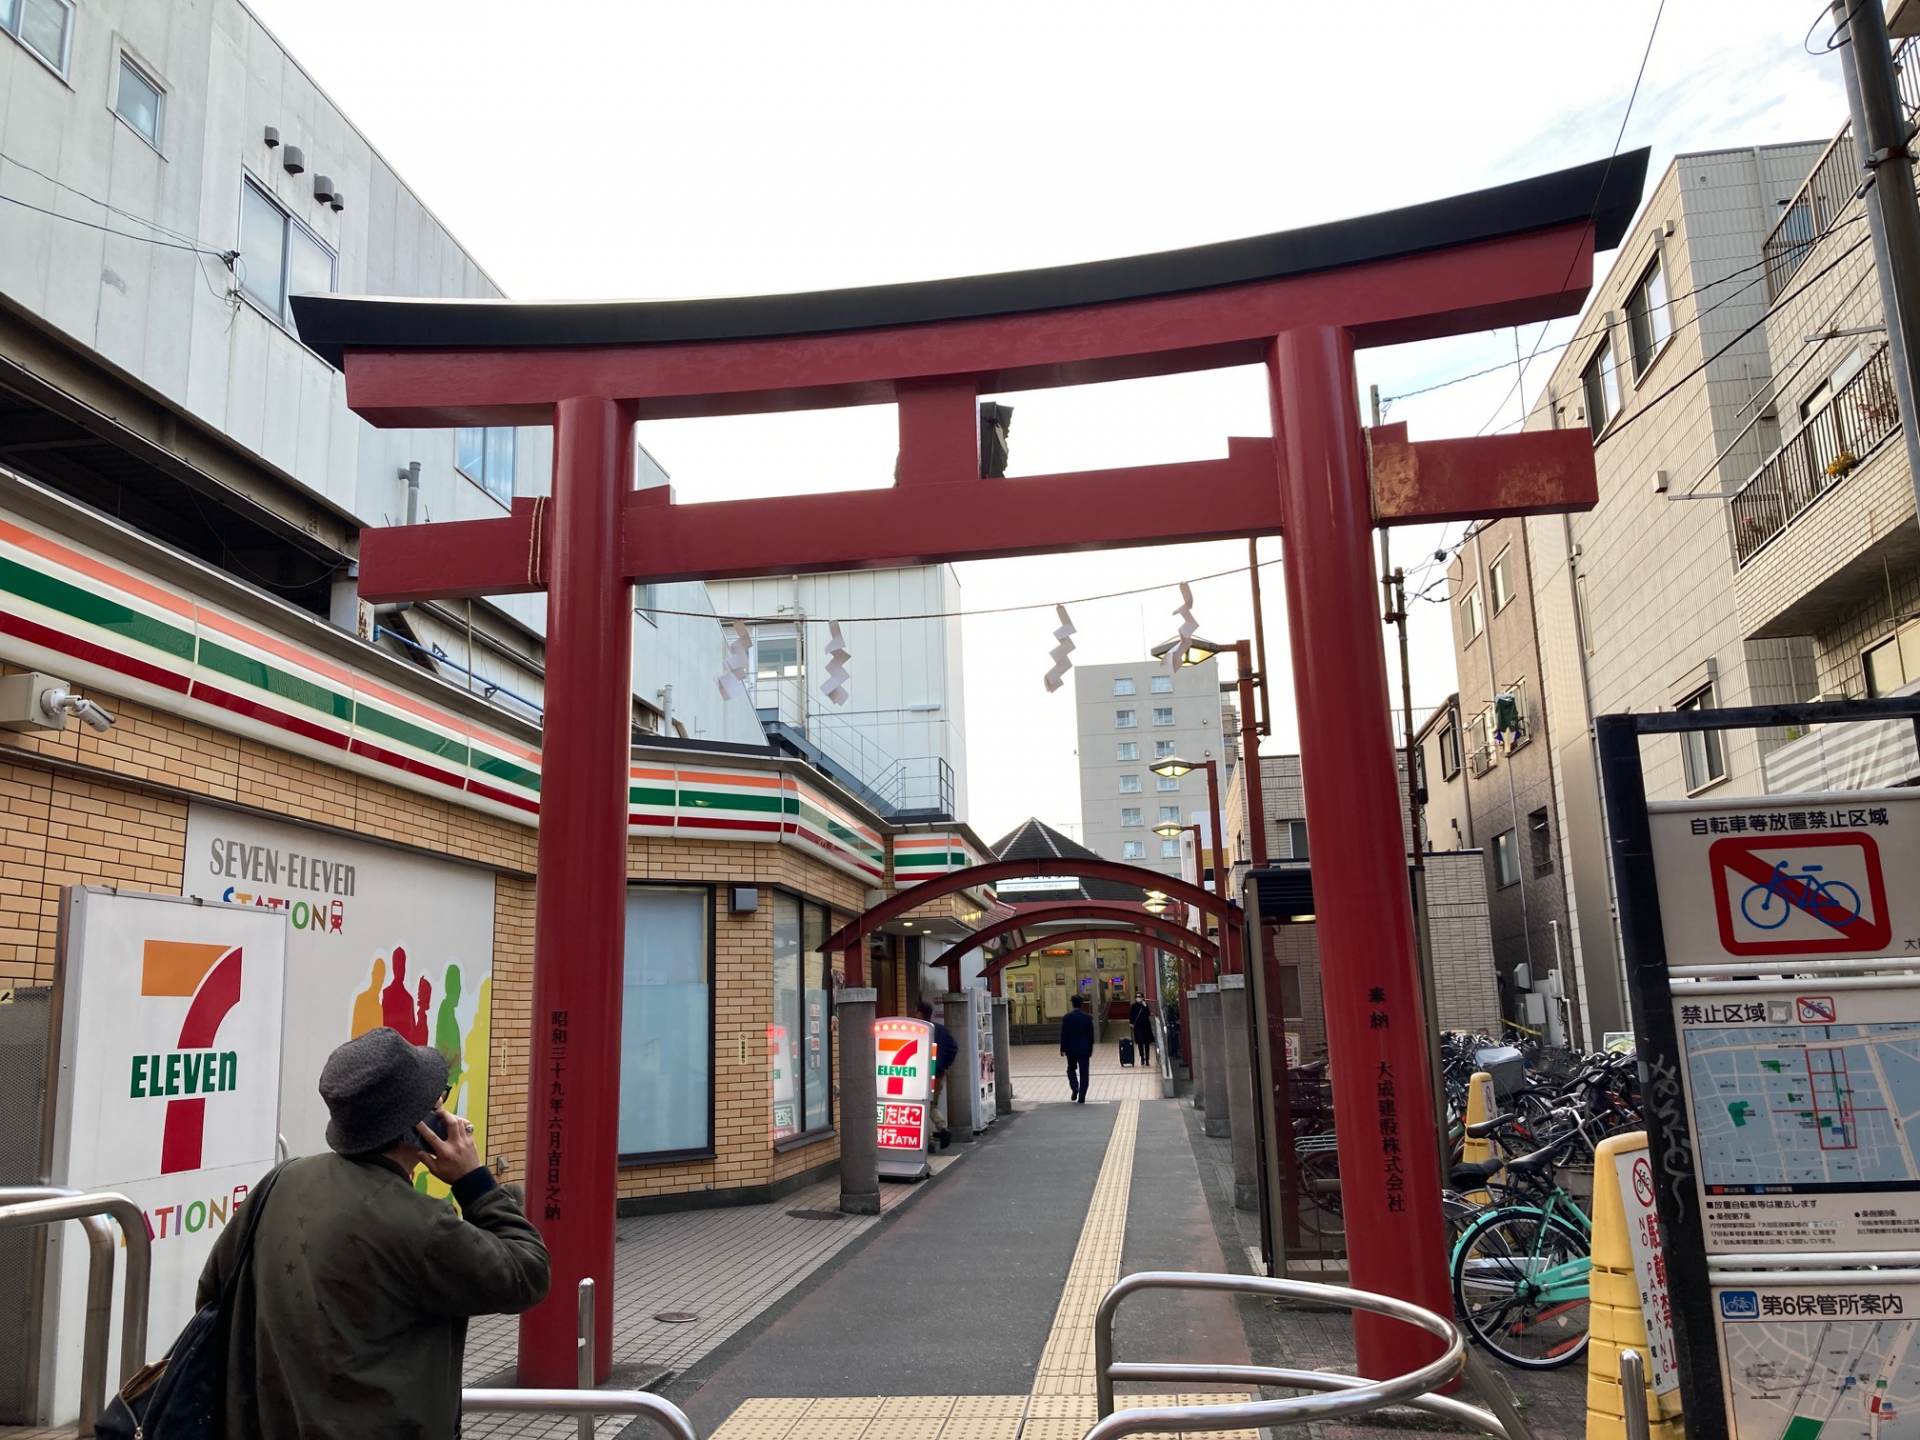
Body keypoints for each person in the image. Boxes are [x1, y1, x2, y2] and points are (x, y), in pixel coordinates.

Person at [198, 1026, 550, 1439]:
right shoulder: (421, 1225)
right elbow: (527, 1273)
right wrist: (474, 1182)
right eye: (440, 1103)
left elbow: (211, 1292)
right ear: (420, 1126)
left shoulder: (282, 1180)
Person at [919, 1000, 959, 1150]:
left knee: (921, 1105)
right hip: (938, 1074)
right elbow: (954, 1047)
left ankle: (929, 1140)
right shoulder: (941, 1030)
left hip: (920, 1075)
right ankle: (942, 1129)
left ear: (919, 1013)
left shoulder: (919, 1030)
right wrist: (944, 1065)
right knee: (931, 1105)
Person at [1060, 993, 1095, 1103]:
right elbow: (1091, 1036)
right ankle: (1082, 1096)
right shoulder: (1088, 1018)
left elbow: (1064, 1034)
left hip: (1071, 1049)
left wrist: (1062, 1048)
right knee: (1084, 1072)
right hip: (1084, 1049)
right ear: (1082, 1004)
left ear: (1072, 1004)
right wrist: (1090, 1049)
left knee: (1071, 1069)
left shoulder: (1067, 1018)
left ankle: (1075, 1087)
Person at [1128, 993, 1155, 1068]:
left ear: (1143, 998)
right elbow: (1131, 1015)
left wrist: (1145, 1006)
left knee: (1146, 1043)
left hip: (1146, 1026)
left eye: (1139, 997)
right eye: (1136, 997)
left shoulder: (1145, 1005)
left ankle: (1147, 1059)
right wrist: (1131, 1023)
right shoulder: (1133, 1006)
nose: (1138, 998)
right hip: (1137, 1027)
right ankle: (1142, 1057)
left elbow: (1148, 1014)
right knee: (1140, 1042)